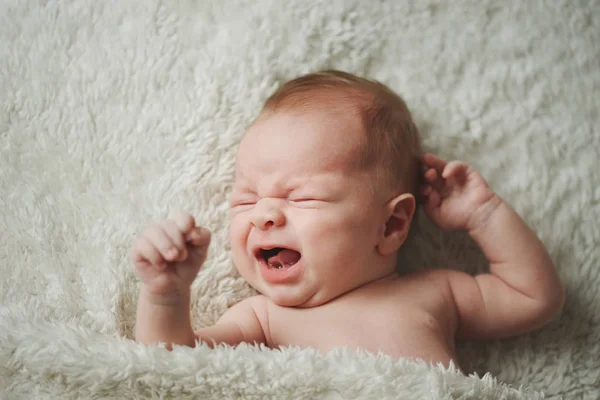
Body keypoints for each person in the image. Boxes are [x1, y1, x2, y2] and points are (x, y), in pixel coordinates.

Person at [132, 70, 565, 368]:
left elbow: (535, 297)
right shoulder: (262, 318)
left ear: (392, 225)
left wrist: (483, 215)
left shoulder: (435, 292)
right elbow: (171, 364)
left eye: (301, 196)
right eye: (245, 200)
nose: (263, 214)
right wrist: (166, 296)